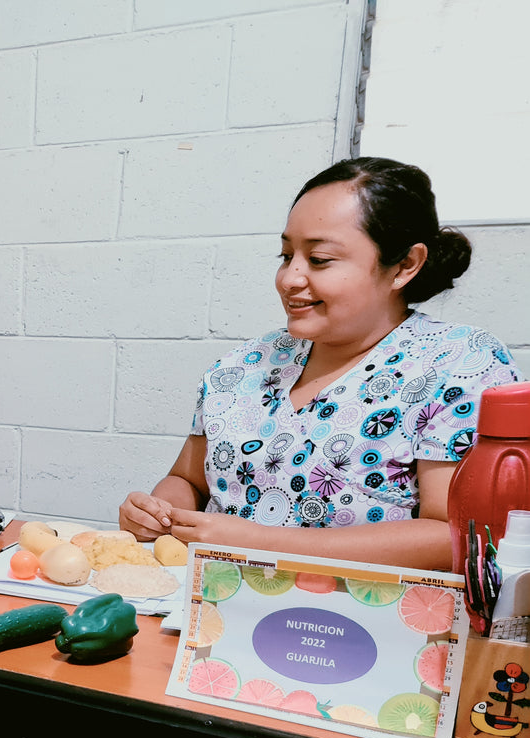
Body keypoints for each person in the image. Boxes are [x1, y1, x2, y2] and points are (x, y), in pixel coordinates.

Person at [120, 157, 521, 570]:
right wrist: (159, 512)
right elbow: (187, 480)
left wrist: (259, 543)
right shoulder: (243, 365)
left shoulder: (461, 364)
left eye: (319, 259)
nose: (289, 279)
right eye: (286, 255)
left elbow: (456, 537)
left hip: (357, 625)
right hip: (214, 610)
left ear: (404, 265)